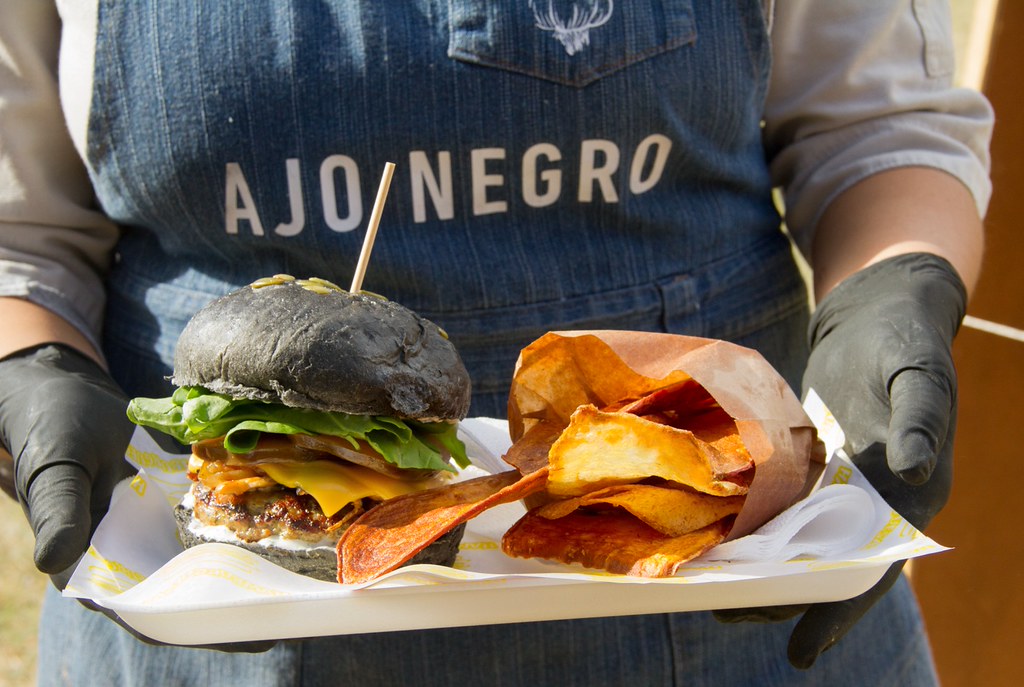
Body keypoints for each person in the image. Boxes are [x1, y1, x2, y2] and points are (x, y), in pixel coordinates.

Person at [0, 1, 991, 685]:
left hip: (727, 600)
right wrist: (29, 364)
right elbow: (20, 237)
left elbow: (877, 127)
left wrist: (889, 295)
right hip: (198, 625)